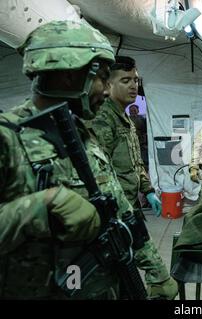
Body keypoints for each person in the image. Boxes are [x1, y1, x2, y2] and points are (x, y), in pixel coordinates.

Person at [0, 21, 124, 299]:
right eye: (103, 77)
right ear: (70, 75)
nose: (107, 90)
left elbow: (119, 208)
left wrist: (154, 269)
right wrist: (40, 207)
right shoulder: (7, 137)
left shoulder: (81, 133)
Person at [87, 56, 178, 299]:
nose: (133, 86)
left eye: (136, 80)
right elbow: (98, 174)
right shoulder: (103, 120)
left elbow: (136, 160)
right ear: (108, 86)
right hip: (116, 212)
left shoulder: (125, 118)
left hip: (130, 205)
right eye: (125, 80)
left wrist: (147, 189)